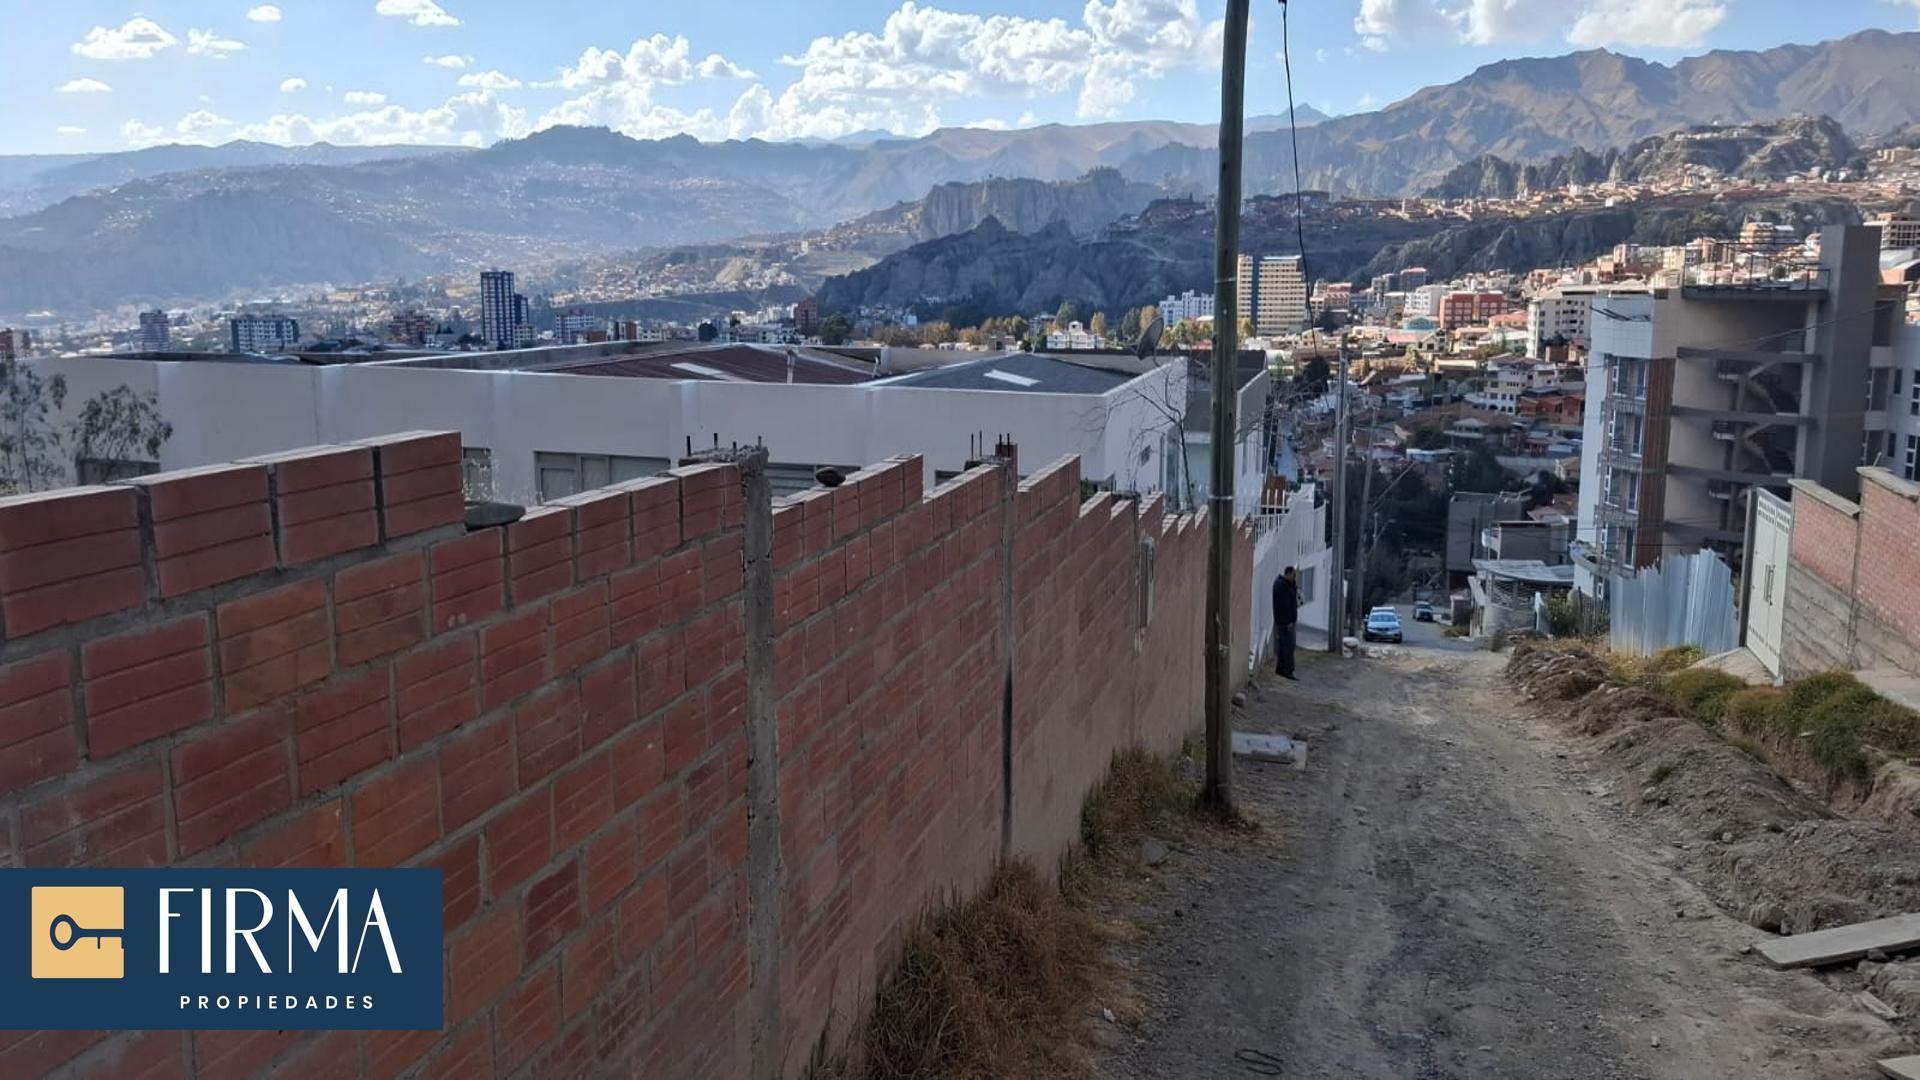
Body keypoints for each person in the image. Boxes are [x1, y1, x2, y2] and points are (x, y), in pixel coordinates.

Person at [1273, 565, 1299, 680]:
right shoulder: (1281, 586)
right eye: (1293, 575)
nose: (1294, 578)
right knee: (1289, 646)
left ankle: (1281, 669)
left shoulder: (1286, 585)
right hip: (1285, 622)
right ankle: (1288, 671)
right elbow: (1284, 605)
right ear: (1288, 574)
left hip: (1286, 621)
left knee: (1284, 646)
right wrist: (1288, 621)